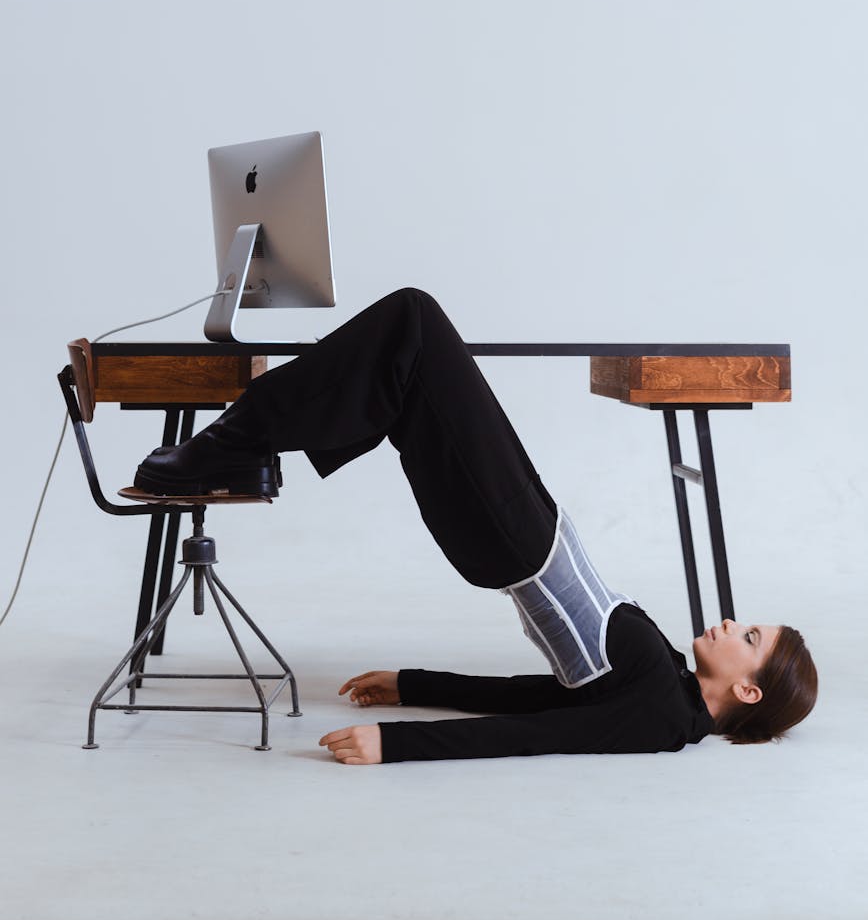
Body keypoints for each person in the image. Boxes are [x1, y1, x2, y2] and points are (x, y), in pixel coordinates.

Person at [134, 287, 818, 766]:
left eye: (750, 637)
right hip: (522, 526)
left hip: (511, 537)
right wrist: (412, 685)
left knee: (416, 320)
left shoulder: (665, 721)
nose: (733, 624)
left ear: (749, 690)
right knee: (404, 377)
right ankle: (245, 450)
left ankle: (235, 442)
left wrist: (394, 743)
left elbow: (538, 733)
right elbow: (534, 696)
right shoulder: (667, 687)